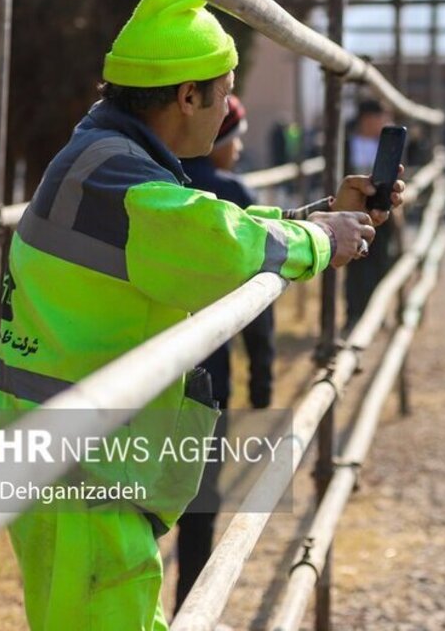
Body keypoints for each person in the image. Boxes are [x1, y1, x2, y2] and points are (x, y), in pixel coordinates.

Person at [0, 0, 402, 630]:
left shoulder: (105, 161)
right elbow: (218, 244)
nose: (228, 110)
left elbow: (198, 230)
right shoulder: (120, 180)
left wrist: (316, 217)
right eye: (225, 92)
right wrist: (320, 240)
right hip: (80, 468)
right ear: (188, 96)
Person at [174, 94, 276, 610]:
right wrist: (263, 379)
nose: (236, 150)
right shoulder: (231, 195)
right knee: (199, 502)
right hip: (208, 378)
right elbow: (259, 302)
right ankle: (189, 610)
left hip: (152, 369)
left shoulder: (160, 185)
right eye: (233, 139)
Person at [344, 99, 402, 328]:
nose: (384, 123)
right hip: (352, 213)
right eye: (381, 118)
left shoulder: (387, 146)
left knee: (381, 261)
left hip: (381, 214)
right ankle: (354, 313)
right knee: (355, 265)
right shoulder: (347, 144)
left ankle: (377, 313)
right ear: (367, 119)